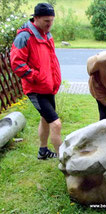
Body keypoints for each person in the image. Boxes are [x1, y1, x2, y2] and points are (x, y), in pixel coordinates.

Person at [10, 3, 62, 160]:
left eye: (52, 20)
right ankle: (64, 159)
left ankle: (43, 151)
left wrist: (52, 79)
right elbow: (17, 63)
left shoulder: (47, 35)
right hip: (36, 89)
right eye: (47, 21)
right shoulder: (24, 37)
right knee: (56, 124)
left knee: (46, 120)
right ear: (36, 18)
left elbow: (51, 61)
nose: (50, 24)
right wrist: (36, 77)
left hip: (48, 86)